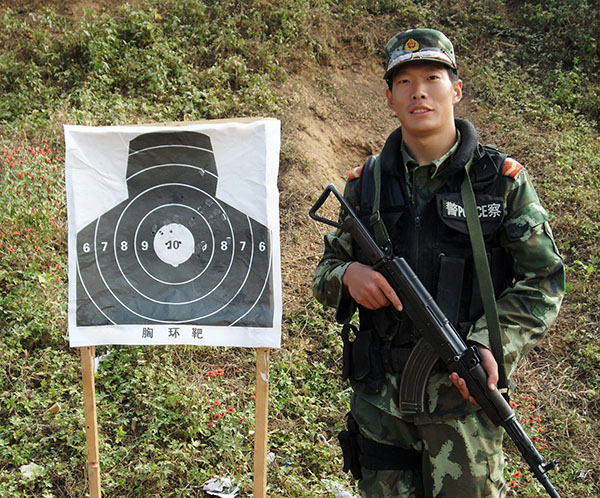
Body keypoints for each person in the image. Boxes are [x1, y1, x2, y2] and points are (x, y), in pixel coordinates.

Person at [312, 28, 565, 497]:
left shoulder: (501, 182)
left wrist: (493, 343)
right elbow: (325, 268)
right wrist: (348, 275)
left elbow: (543, 279)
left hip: (463, 408)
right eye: (404, 82)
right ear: (389, 97)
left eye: (432, 76)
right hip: (380, 409)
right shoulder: (365, 184)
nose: (419, 91)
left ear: (456, 89)